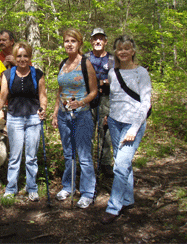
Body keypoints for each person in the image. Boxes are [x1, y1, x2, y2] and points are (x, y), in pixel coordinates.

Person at [0, 42, 47, 202]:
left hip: (33, 117)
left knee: (31, 157)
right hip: (14, 119)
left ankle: (32, 188)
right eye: (19, 56)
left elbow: (42, 95)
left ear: (30, 57)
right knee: (15, 156)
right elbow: (2, 97)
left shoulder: (37, 74)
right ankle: (11, 189)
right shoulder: (8, 74)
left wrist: (43, 108)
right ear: (15, 57)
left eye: (25, 56)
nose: (22, 59)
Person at [101, 35, 151, 224]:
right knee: (122, 163)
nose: (123, 52)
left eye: (127, 48)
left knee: (120, 165)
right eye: (119, 49)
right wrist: (109, 115)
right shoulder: (113, 73)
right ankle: (128, 199)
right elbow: (115, 98)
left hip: (133, 124)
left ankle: (113, 207)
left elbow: (145, 103)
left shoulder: (141, 73)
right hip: (114, 121)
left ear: (133, 51)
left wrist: (134, 128)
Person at [52, 28, 98, 208]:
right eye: (66, 41)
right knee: (69, 153)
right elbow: (60, 90)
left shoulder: (85, 63)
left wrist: (81, 102)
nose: (69, 44)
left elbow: (94, 91)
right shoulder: (63, 64)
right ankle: (68, 186)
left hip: (82, 115)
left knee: (85, 155)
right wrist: (55, 113)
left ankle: (88, 192)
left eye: (73, 41)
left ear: (79, 43)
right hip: (64, 116)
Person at [84, 28, 114, 177]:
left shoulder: (113, 60)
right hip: (88, 100)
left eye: (101, 39)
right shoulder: (85, 58)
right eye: (95, 39)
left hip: (106, 100)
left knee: (105, 131)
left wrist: (103, 83)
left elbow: (117, 81)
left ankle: (105, 164)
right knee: (88, 132)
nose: (98, 41)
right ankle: (87, 164)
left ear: (105, 41)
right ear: (91, 41)